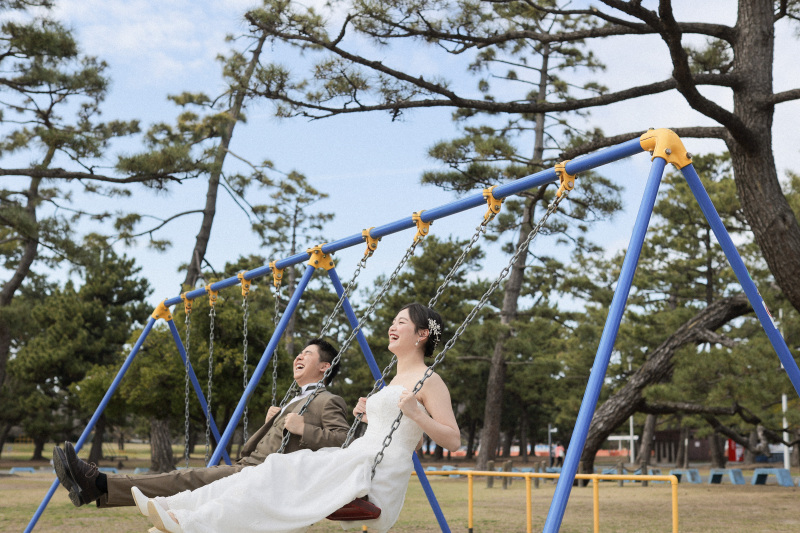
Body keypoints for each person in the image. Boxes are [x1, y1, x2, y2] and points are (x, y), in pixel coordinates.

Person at [143, 303, 461, 533]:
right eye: (393, 321)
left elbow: (452, 439)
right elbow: (409, 434)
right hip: (356, 458)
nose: (392, 326)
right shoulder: (392, 380)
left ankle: (191, 521)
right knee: (272, 472)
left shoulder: (429, 379)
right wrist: (366, 417)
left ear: (421, 334)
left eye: (401, 323)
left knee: (277, 475)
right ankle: (179, 507)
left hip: (374, 475)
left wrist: (417, 413)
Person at [53, 338, 350, 511]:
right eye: (300, 353)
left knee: (186, 479)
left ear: (325, 367)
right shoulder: (293, 400)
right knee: (185, 486)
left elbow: (345, 441)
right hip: (250, 467)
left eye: (308, 354)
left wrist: (303, 429)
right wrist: (272, 422)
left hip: (263, 477)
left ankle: (99, 484)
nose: (299, 356)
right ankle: (98, 488)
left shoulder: (328, 400)